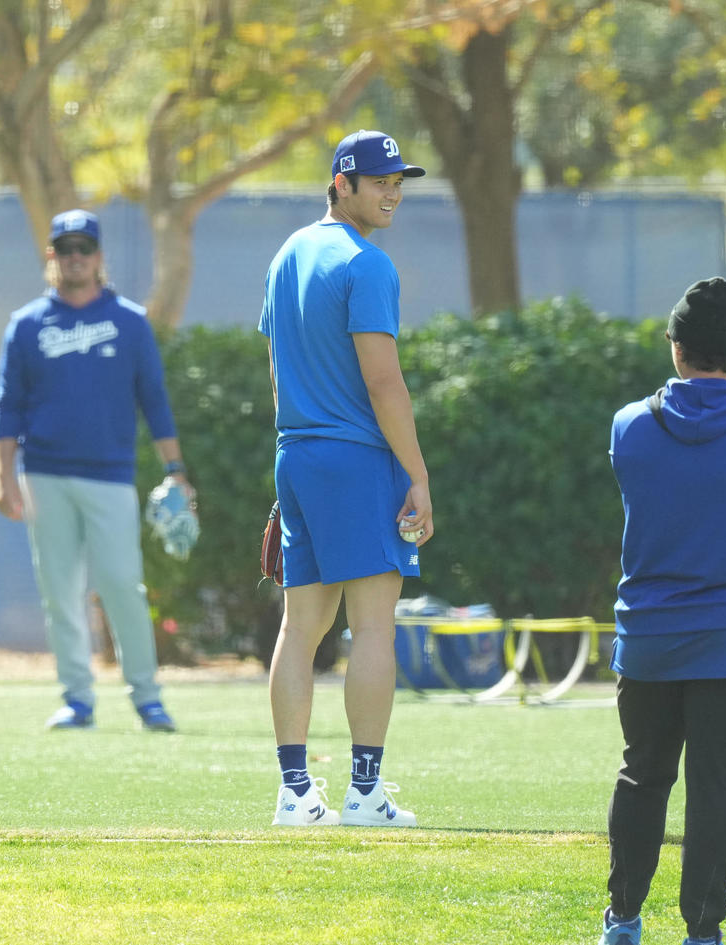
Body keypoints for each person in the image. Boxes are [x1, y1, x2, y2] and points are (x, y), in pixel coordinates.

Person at [599, 278, 726, 945]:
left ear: (676, 347)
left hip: (651, 638)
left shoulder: (630, 426)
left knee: (642, 776)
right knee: (717, 790)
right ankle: (703, 932)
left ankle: (623, 918)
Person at [258, 130, 433, 828]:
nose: (392, 192)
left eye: (398, 181)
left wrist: (293, 464)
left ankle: (295, 793)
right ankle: (364, 793)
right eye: (379, 180)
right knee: (372, 628)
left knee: (301, 627)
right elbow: (384, 383)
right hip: (357, 461)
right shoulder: (368, 264)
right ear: (341, 183)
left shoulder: (287, 254)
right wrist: (417, 474)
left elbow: (278, 372)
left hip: (298, 456)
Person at [0, 208, 192, 733]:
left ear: (99, 256)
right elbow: (8, 405)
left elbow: (154, 399)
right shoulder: (27, 324)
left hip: (109, 474)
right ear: (52, 256)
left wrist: (175, 469)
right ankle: (77, 699)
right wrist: (3, 477)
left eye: (85, 248)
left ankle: (148, 698)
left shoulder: (129, 321)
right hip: (45, 474)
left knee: (123, 585)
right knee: (60, 592)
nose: (75, 257)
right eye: (66, 249)